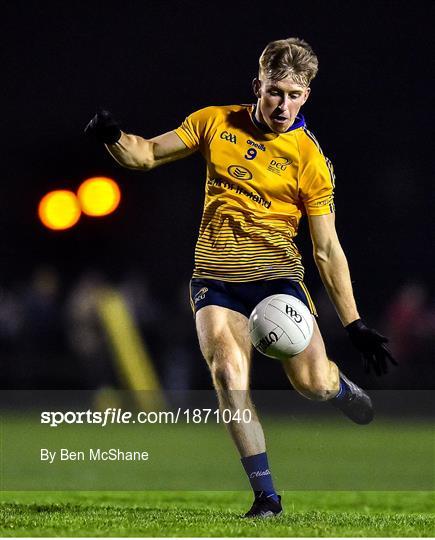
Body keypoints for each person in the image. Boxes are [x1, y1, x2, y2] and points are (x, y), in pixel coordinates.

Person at [85, 37, 396, 518]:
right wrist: (113, 137)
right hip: (216, 279)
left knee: (310, 384)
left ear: (307, 96)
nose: (283, 104)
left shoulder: (310, 160)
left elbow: (326, 248)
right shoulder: (214, 122)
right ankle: (266, 496)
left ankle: (338, 388)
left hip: (277, 280)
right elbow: (145, 154)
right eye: (275, 92)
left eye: (294, 95)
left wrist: (353, 324)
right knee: (228, 375)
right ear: (258, 86)